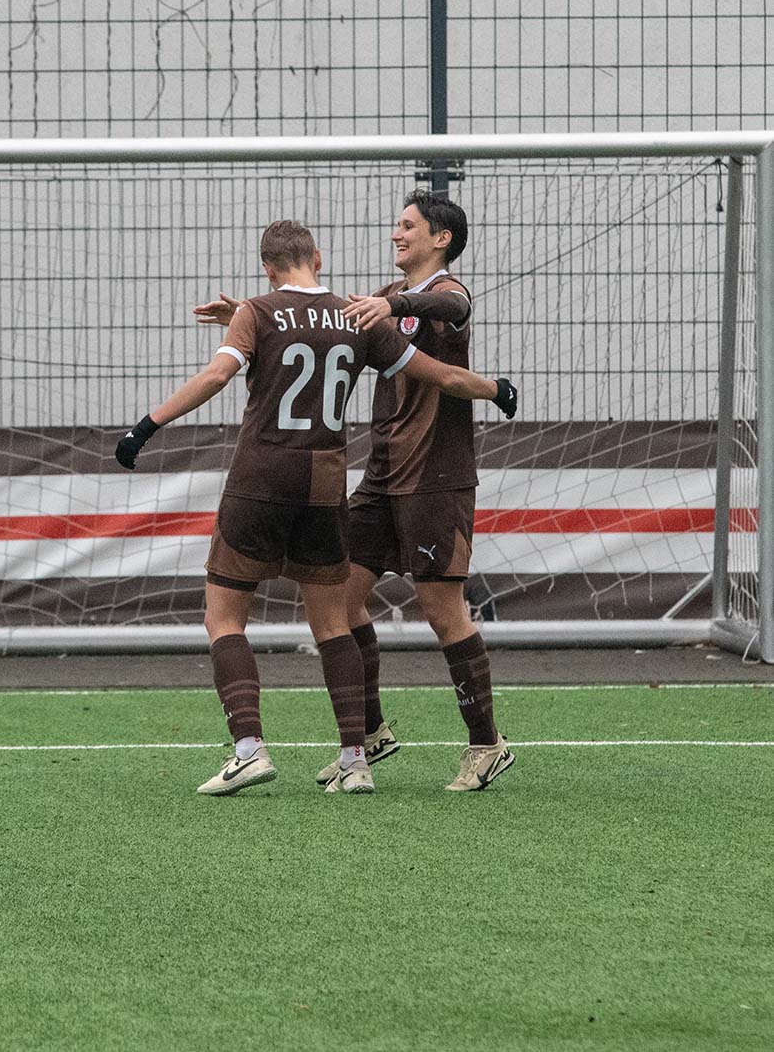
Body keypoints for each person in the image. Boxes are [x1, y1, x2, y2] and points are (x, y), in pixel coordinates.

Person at [120, 219, 516, 798]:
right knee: (340, 610)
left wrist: (147, 425)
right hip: (348, 480)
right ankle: (361, 747)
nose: (397, 233)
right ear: (319, 257)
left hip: (379, 477)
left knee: (231, 615)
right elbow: (431, 369)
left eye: (408, 225)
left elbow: (226, 368)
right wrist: (495, 388)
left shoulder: (431, 296)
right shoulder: (360, 314)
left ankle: (480, 743)